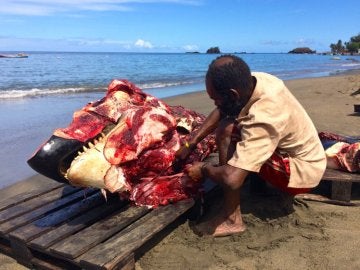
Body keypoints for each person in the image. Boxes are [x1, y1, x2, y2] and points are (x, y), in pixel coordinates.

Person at [175, 54, 327, 237]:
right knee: (231, 122)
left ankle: (232, 220)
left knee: (227, 130)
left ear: (233, 94)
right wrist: (191, 142)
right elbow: (223, 108)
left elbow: (231, 179)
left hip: (301, 172)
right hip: (297, 152)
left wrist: (204, 169)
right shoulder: (256, 81)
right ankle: (258, 184)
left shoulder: (264, 115)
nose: (215, 104)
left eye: (216, 99)